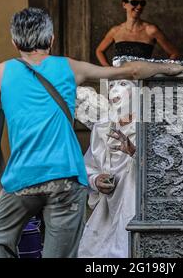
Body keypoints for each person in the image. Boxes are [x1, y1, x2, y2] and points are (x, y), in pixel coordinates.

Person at [0, 7, 183, 258]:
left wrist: (4, 194)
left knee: (1, 240)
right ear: (51, 39)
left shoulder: (1, 72)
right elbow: (131, 71)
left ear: (14, 42)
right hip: (65, 179)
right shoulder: (69, 67)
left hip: (21, 178)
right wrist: (168, 68)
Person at [77, 79, 137, 258]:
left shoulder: (148, 128)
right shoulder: (102, 127)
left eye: (124, 84)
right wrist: (96, 180)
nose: (115, 89)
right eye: (111, 85)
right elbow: (88, 167)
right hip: (106, 215)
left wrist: (135, 153)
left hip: (134, 212)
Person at [96, 0, 181, 66]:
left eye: (142, 3)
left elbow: (174, 53)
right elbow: (99, 51)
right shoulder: (116, 31)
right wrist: (107, 68)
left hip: (143, 80)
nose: (139, 6)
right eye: (134, 2)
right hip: (118, 80)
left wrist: (162, 70)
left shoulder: (151, 30)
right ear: (124, 5)